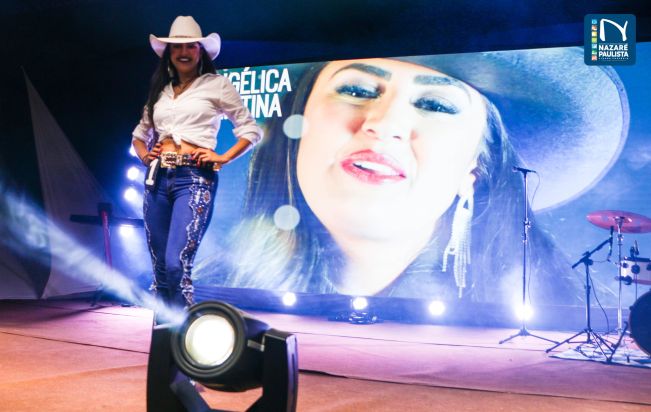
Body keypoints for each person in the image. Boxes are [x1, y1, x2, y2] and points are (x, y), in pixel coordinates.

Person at [196, 48, 628, 307]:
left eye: (436, 105)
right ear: (297, 130)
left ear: (475, 169)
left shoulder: (554, 304)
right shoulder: (204, 293)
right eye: (357, 90)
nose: (384, 124)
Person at [131, 16, 262, 311]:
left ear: (200, 51)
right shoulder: (160, 92)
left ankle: (185, 330)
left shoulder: (217, 85)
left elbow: (251, 130)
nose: (183, 52)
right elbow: (139, 135)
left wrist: (223, 157)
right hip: (157, 178)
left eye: (190, 45)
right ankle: (166, 333)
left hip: (193, 178)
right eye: (177, 47)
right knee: (160, 270)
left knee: (175, 264)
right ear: (168, 53)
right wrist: (145, 156)